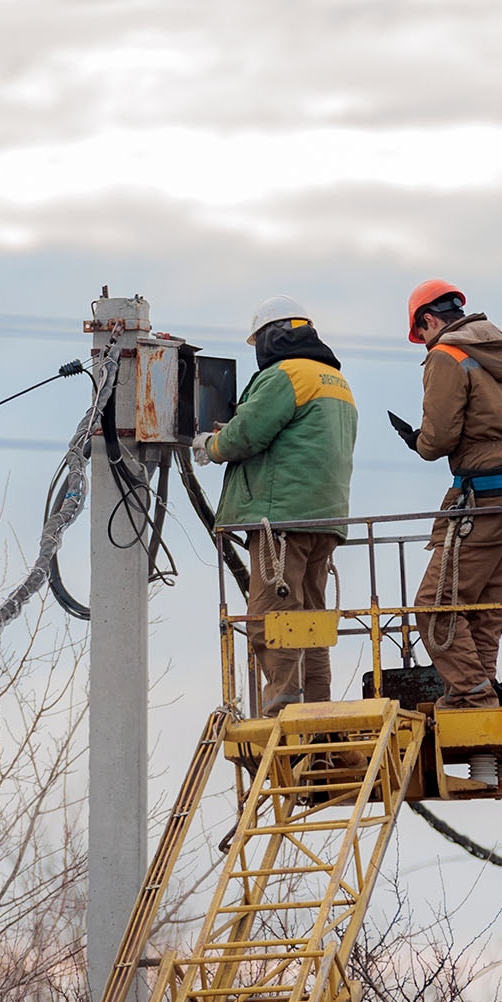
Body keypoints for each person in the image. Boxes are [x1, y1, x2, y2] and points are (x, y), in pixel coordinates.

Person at [193, 296, 357, 714]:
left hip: (280, 521)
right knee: (310, 620)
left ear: (269, 338)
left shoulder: (285, 375)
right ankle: (317, 711)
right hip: (324, 520)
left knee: (273, 618)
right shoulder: (335, 380)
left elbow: (247, 434)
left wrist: (211, 446)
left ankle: (283, 712)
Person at [390, 280, 502, 709]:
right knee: (485, 608)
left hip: (485, 497)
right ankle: (484, 686)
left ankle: (472, 696)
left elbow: (439, 438)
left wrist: (419, 442)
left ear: (428, 320)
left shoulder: (447, 354)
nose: (424, 343)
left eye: (421, 334)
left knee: (434, 607)